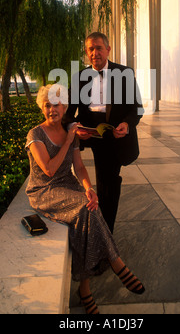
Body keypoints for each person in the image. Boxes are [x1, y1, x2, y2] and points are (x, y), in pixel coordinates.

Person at [25, 84, 145, 315]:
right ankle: (116, 262)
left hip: (67, 187)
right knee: (85, 209)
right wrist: (69, 141)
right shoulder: (36, 134)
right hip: (44, 191)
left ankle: (85, 289)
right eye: (47, 105)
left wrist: (89, 188)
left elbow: (79, 168)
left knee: (90, 205)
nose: (53, 110)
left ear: (65, 107)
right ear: (42, 108)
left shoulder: (70, 132)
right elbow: (49, 170)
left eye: (57, 104)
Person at [65, 32, 143, 234]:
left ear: (108, 49)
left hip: (114, 133)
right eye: (90, 49)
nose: (94, 53)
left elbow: (136, 108)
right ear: (86, 52)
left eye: (99, 48)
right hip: (89, 132)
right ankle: (104, 228)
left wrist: (127, 123)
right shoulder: (79, 77)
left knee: (107, 181)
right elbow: (68, 113)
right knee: (105, 181)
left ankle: (106, 230)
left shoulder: (125, 73)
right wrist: (76, 128)